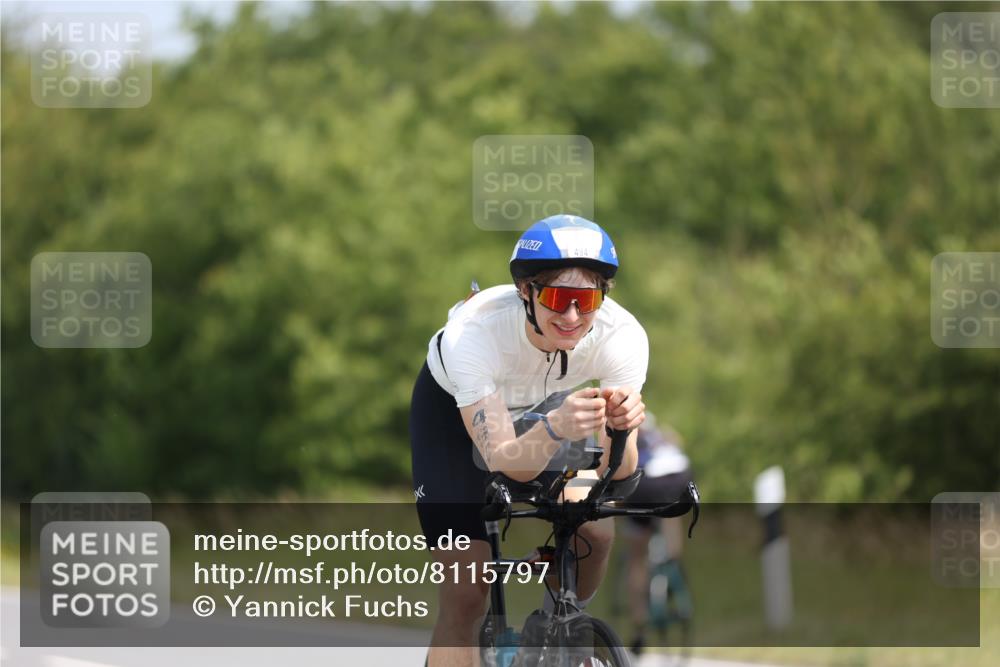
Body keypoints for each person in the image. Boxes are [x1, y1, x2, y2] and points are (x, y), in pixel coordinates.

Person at [410, 214, 649, 667]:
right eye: (559, 298)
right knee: (466, 591)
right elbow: (503, 458)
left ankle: (550, 631)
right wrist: (556, 427)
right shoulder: (475, 334)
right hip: (454, 422)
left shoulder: (623, 337)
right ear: (526, 291)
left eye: (587, 300)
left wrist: (623, 431)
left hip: (543, 411)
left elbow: (617, 474)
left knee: (595, 530)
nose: (573, 316)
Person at [621, 416, 694, 656]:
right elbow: (677, 442)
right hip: (681, 475)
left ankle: (639, 627)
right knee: (672, 513)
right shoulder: (663, 433)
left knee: (637, 556)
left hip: (645, 484)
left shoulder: (624, 434)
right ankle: (673, 565)